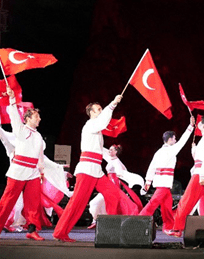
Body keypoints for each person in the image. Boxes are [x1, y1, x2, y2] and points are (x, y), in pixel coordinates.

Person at [54, 95, 124, 242]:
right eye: (98, 109)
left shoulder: (97, 130)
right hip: (86, 170)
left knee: (113, 194)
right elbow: (103, 121)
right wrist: (113, 104)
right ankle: (60, 232)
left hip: (96, 170)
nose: (101, 112)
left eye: (101, 109)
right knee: (77, 203)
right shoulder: (90, 125)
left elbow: (101, 151)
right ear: (91, 112)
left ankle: (111, 231)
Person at [0, 88, 45, 240]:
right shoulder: (20, 130)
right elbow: (14, 116)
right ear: (28, 118)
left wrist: (41, 171)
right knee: (7, 201)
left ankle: (32, 230)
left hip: (33, 172)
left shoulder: (39, 136)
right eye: (37, 116)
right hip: (18, 170)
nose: (39, 119)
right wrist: (12, 99)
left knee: (33, 203)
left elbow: (40, 156)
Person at [138, 116, 195, 234]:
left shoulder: (158, 152)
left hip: (163, 184)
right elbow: (183, 141)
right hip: (163, 184)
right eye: (174, 139)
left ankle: (168, 227)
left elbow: (152, 166)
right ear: (170, 140)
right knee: (153, 204)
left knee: (167, 207)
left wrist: (148, 182)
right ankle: (139, 221)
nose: (175, 141)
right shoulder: (170, 150)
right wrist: (190, 127)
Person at [170, 115, 204, 236]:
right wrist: (194, 150)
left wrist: (202, 176)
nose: (198, 125)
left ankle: (177, 228)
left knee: (187, 200)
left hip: (201, 174)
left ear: (203, 125)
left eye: (200, 123)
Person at [87, 144, 143, 229]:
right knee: (102, 204)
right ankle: (99, 221)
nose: (109, 151)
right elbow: (104, 151)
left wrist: (120, 174)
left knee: (95, 203)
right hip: (108, 186)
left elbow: (120, 172)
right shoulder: (111, 159)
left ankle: (96, 220)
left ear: (116, 152)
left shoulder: (116, 162)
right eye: (109, 149)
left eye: (111, 150)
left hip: (112, 187)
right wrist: (97, 145)